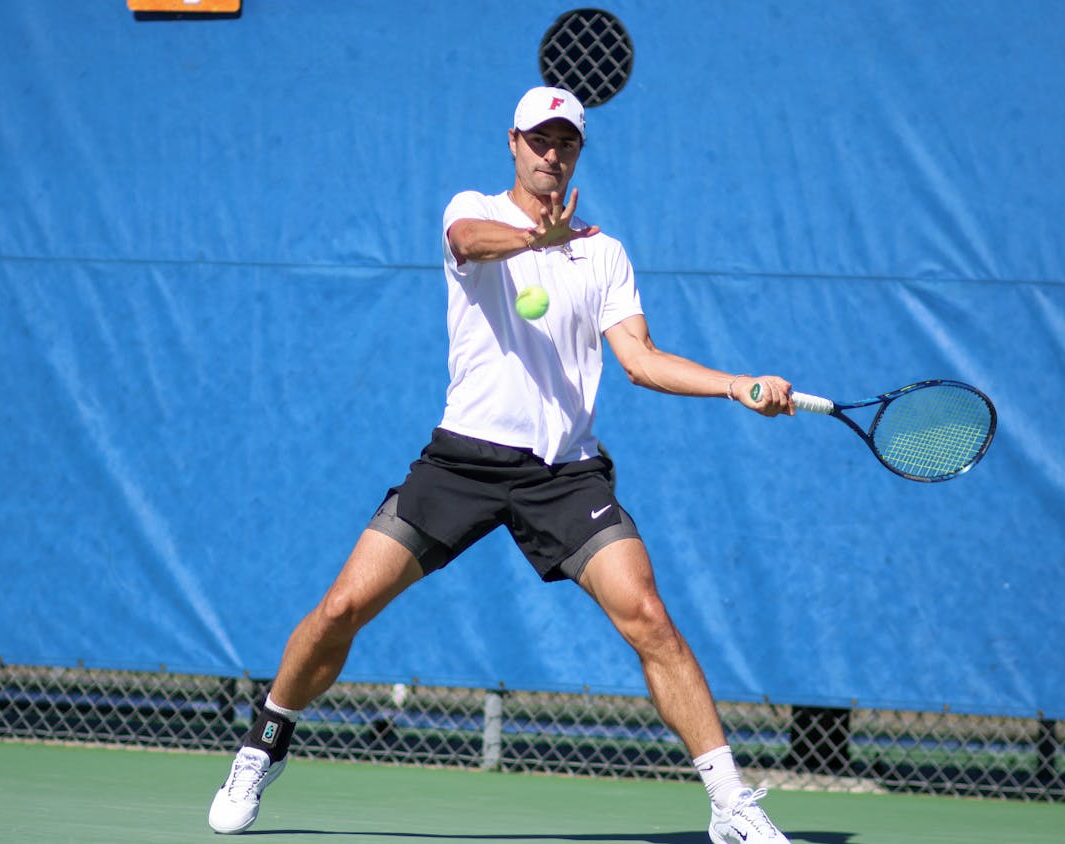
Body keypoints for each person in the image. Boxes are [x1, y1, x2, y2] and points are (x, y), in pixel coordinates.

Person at [208, 86, 796, 844]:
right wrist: (533, 243)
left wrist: (737, 385)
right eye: (539, 141)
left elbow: (641, 361)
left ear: (579, 153)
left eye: (567, 143)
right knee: (341, 609)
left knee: (648, 616)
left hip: (565, 475)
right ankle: (264, 745)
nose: (552, 154)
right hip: (463, 461)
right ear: (513, 143)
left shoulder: (605, 253)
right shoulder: (472, 209)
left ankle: (730, 805)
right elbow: (467, 243)